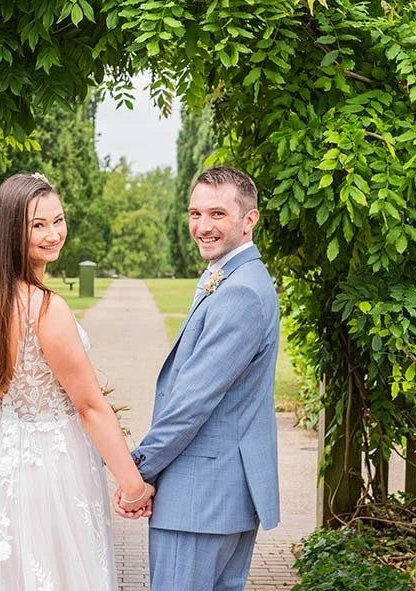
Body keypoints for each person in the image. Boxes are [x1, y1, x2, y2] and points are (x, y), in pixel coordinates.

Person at [0, 173, 154, 590]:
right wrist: (133, 486)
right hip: (51, 470)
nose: (54, 234)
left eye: (58, 220)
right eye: (38, 225)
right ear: (12, 231)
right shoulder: (46, 308)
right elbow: (90, 408)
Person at [116, 166, 281, 591]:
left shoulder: (241, 291)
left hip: (199, 499)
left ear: (249, 219)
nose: (202, 227)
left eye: (217, 214)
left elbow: (192, 400)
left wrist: (137, 472)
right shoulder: (233, 277)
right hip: (219, 497)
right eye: (195, 213)